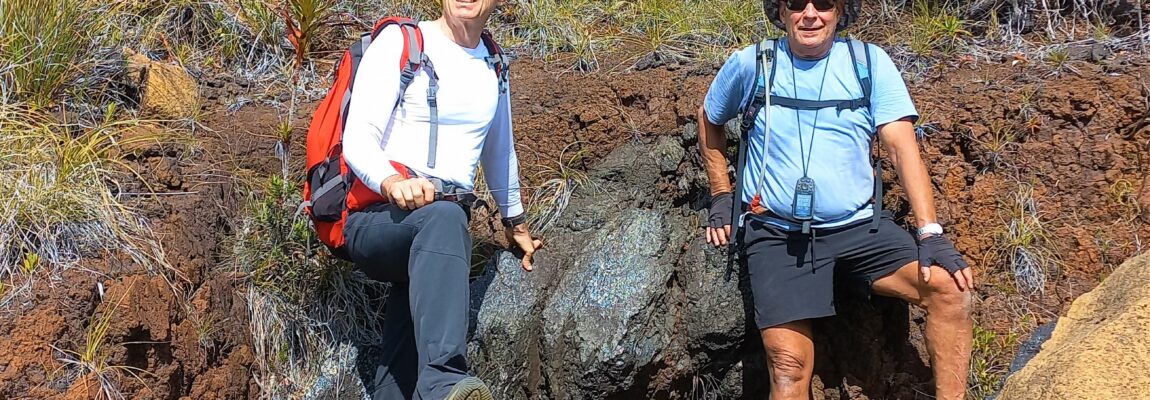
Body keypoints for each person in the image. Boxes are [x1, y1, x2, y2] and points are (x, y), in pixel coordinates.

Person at [697, 0, 974, 398]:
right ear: (780, 12)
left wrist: (930, 232)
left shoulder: (869, 63)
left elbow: (900, 146)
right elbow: (709, 116)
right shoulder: (751, 64)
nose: (811, 14)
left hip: (861, 229)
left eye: (824, 3)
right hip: (778, 234)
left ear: (841, 11)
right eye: (797, 3)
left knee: (951, 291)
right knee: (789, 368)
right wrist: (722, 194)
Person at [339, 0, 542, 399]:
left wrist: (515, 222)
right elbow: (357, 138)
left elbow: (499, 152)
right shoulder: (402, 42)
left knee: (402, 362)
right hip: (376, 219)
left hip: (432, 235)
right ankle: (444, 382)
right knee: (445, 220)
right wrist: (392, 181)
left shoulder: (493, 62)